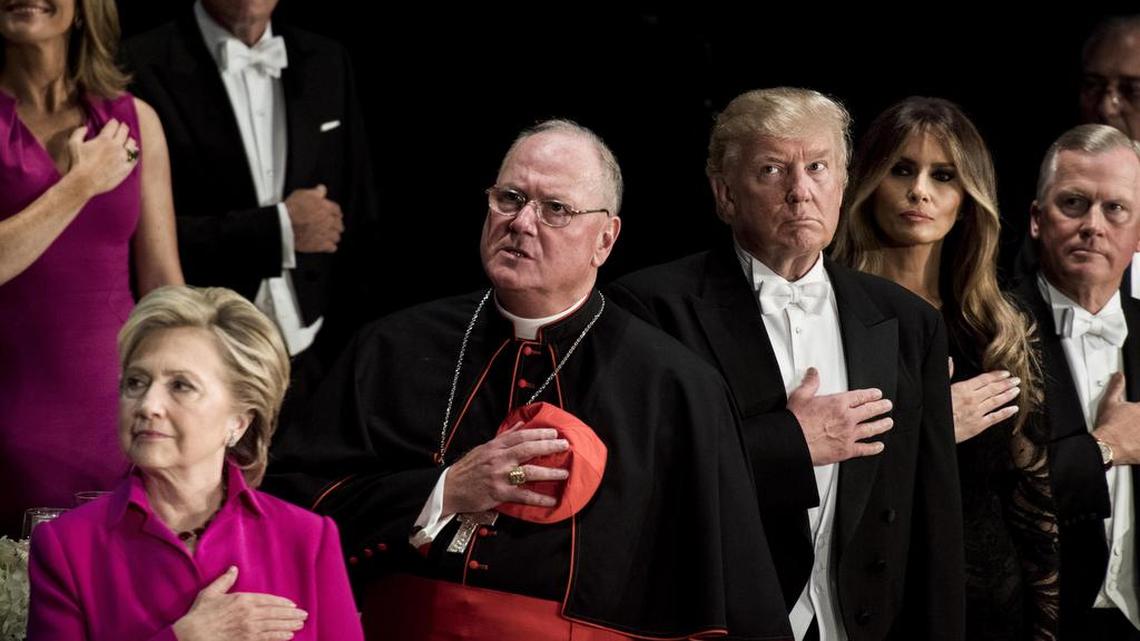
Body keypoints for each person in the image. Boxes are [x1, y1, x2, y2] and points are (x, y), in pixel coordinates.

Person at [266, 119, 791, 640]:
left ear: (605, 239)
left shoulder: (677, 387)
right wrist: (444, 490)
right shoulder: (390, 347)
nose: (521, 222)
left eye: (555, 209)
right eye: (510, 197)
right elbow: (288, 507)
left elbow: (737, 598)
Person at [608, 88, 964, 641]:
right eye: (773, 170)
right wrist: (786, 444)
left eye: (818, 168)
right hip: (722, 622)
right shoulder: (650, 310)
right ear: (725, 195)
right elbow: (636, 482)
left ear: (843, 186)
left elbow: (935, 522)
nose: (801, 192)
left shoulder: (908, 322)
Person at [831, 96, 1057, 640]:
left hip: (986, 601)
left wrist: (1048, 623)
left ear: (968, 196)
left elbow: (1032, 497)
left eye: (944, 175)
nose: (920, 191)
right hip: (869, 601)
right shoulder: (827, 314)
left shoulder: (1001, 326)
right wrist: (931, 426)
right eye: (902, 170)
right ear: (867, 182)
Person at [27, 286, 363, 640]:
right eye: (136, 382)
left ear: (239, 421)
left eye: (181, 386)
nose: (147, 405)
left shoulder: (307, 538)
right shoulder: (66, 545)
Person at [124, 0, 381, 416]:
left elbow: (361, 212)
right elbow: (127, 235)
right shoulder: (136, 64)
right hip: (196, 358)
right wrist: (275, 228)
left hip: (314, 362)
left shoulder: (328, 60)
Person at [0, 0, 182, 536]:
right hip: (8, 427)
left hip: (116, 424)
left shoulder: (134, 120)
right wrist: (81, 183)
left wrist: (195, 411)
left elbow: (164, 287)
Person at [1016, 124, 1140, 640]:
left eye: (1115, 209)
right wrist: (1107, 446)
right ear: (1037, 220)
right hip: (1037, 620)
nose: (1094, 225)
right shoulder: (988, 330)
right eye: (1074, 203)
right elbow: (1000, 497)